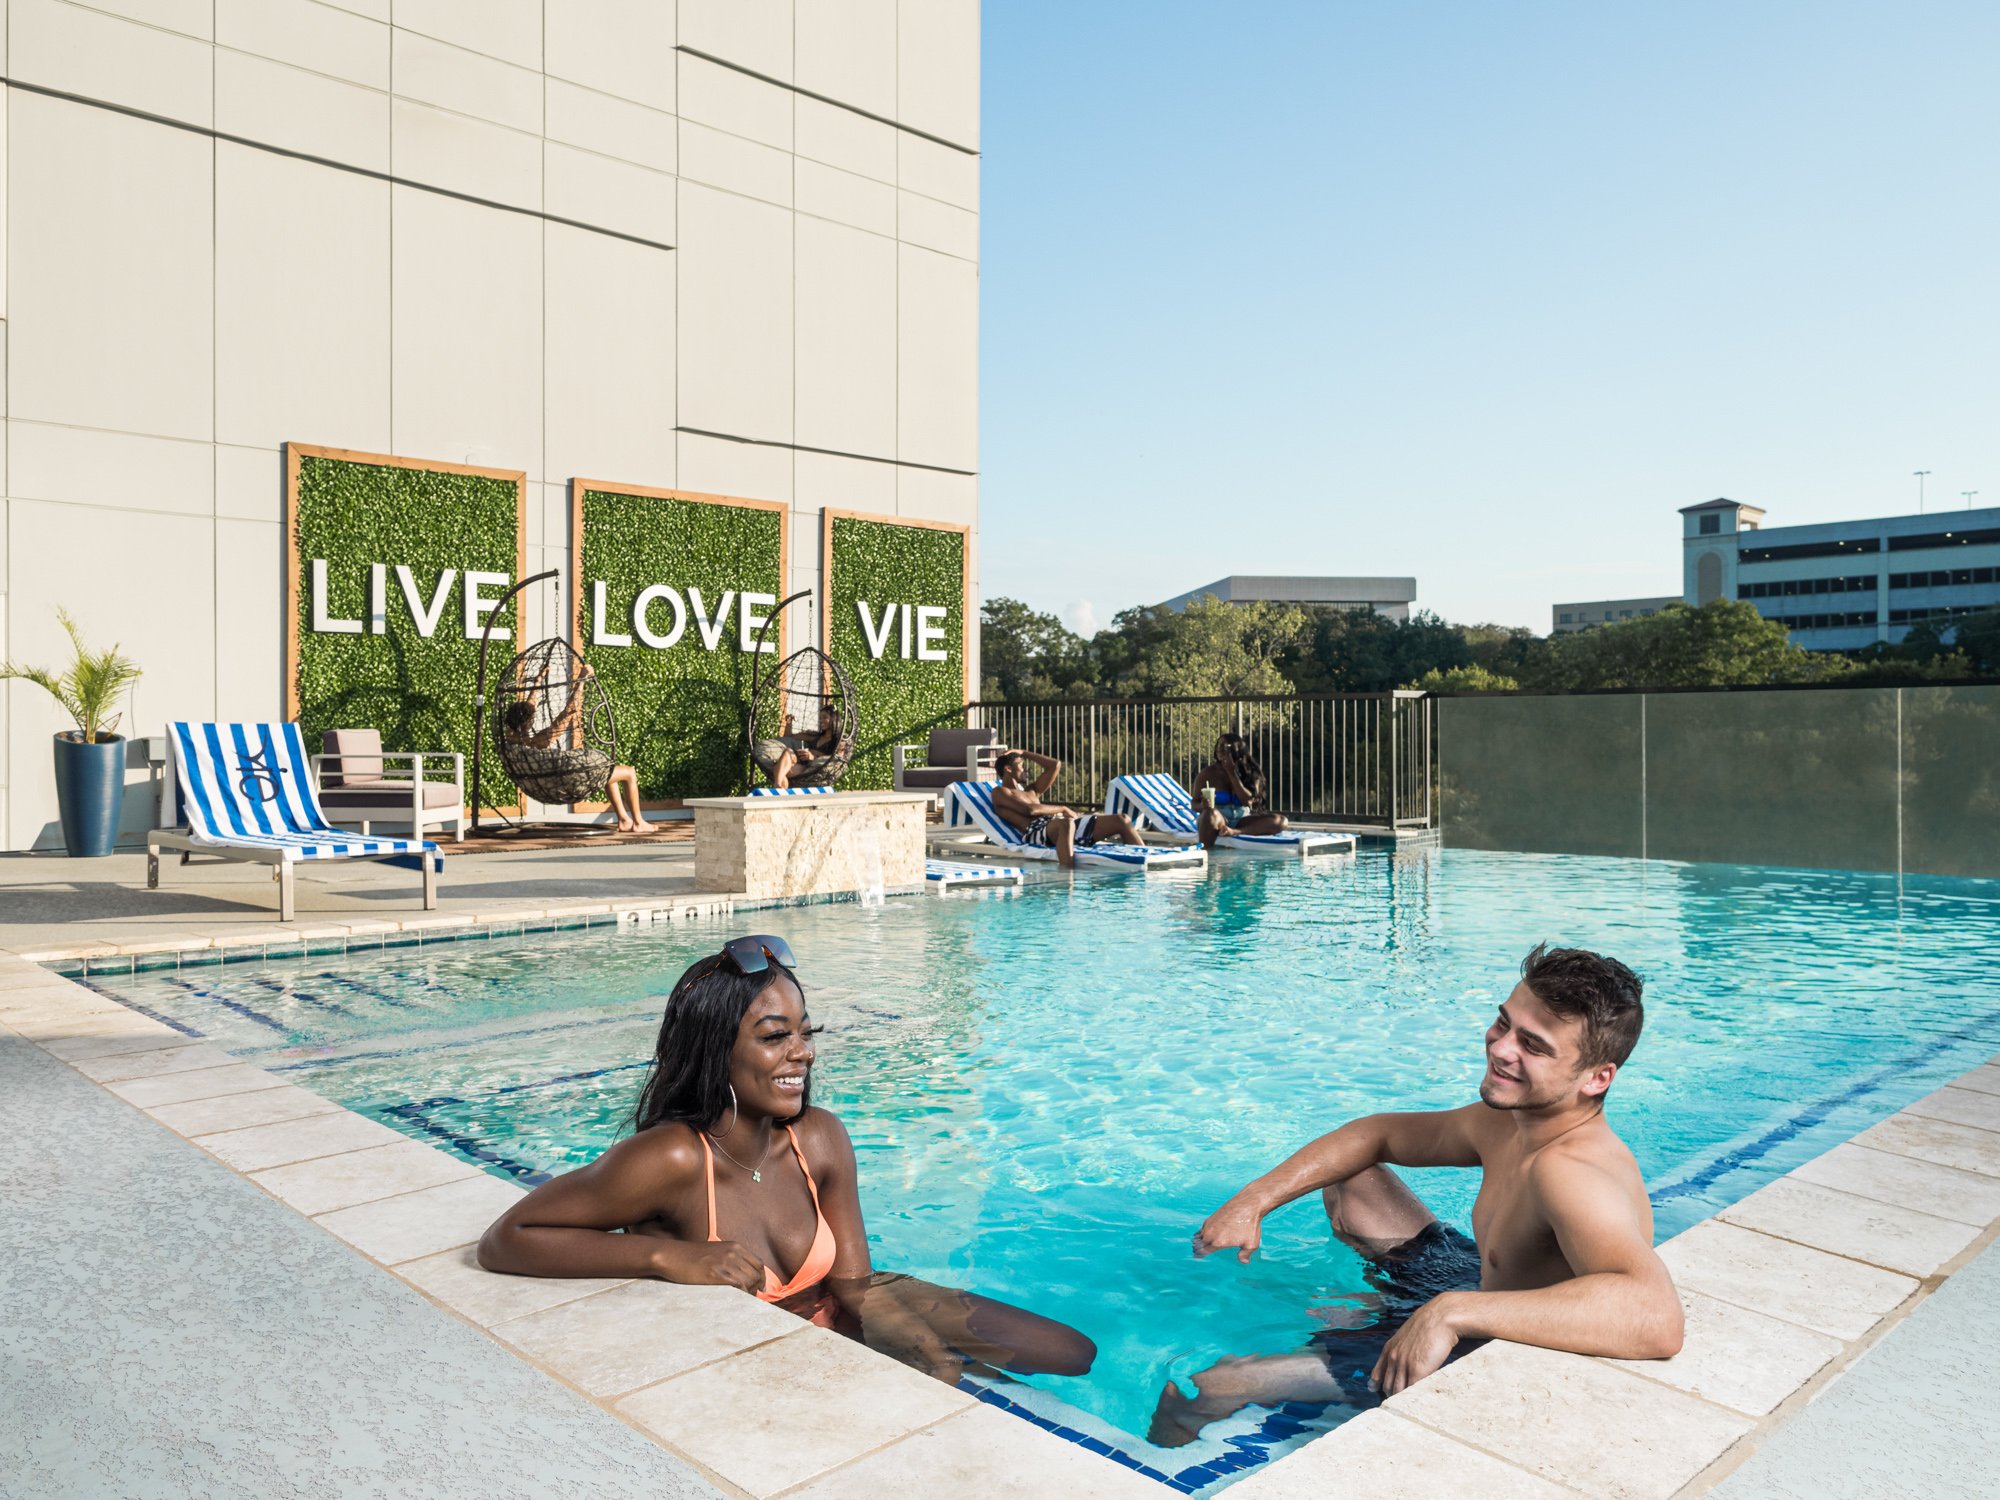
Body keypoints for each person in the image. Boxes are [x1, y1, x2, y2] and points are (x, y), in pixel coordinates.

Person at [477, 935, 1095, 1384]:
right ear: (716, 1050)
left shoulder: (819, 1138)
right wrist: (669, 1255)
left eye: (806, 1032)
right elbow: (508, 1239)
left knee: (1069, 1352)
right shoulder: (671, 1157)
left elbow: (853, 1281)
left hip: (836, 1304)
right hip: (765, 1349)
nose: (803, 1054)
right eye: (776, 1037)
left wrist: (903, 1331)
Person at [1148, 943, 1682, 1446]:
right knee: (1352, 1175)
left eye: (1533, 1045)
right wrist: (1255, 1199)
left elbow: (1654, 1317)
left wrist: (1449, 1313)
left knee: (1213, 1385)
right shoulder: (1518, 1120)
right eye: (1505, 1023)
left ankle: (1163, 1461)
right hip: (1477, 1285)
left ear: (1596, 1077)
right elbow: (1375, 1134)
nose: (1500, 1049)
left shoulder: (1573, 1172)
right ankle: (1383, 1317)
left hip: (1501, 1345)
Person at [502, 659, 654, 833]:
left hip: (549, 778)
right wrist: (581, 680)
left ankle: (624, 819)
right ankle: (639, 822)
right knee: (629, 772)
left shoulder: (512, 742)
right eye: (531, 720)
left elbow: (526, 710)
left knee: (606, 769)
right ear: (525, 724)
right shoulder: (536, 742)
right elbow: (569, 711)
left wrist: (538, 682)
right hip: (570, 779)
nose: (533, 720)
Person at [990, 749, 1146, 869]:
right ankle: (1068, 876)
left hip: (1060, 825)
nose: (1026, 769)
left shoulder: (1031, 791)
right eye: (1021, 765)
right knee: (1066, 824)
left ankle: (1144, 863)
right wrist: (1063, 808)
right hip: (1036, 832)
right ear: (1008, 769)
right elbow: (1029, 810)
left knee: (1122, 819)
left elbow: (1055, 765)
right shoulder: (1000, 792)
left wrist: (1024, 753)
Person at [1191, 731, 1288, 849]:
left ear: (1237, 749)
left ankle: (1235, 831)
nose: (1220, 749)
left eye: (1225, 747)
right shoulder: (1207, 774)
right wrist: (1203, 806)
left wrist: (1231, 773)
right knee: (1209, 813)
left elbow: (1247, 801)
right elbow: (1194, 803)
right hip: (1217, 818)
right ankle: (1206, 854)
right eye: (1218, 746)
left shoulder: (1250, 772)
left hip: (1242, 820)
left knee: (1281, 821)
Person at [753, 706, 844, 790]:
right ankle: (779, 786)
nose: (821, 720)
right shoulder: (815, 736)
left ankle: (778, 786)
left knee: (779, 770)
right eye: (820, 718)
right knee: (787, 752)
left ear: (834, 719)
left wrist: (812, 757)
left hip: (811, 771)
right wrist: (789, 723)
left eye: (825, 717)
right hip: (800, 764)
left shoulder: (839, 742)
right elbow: (789, 737)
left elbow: (836, 760)